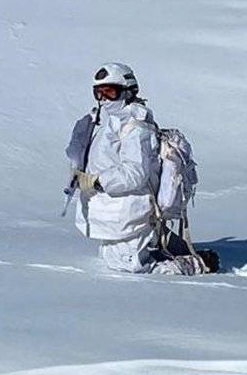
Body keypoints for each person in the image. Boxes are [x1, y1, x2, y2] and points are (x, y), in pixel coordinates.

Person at [65, 63, 217, 275]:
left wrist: (96, 181)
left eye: (110, 92)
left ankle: (198, 264)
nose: (104, 99)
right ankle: (177, 249)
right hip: (114, 212)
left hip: (129, 211)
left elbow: (135, 173)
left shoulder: (136, 126)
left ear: (128, 91)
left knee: (128, 266)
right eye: (98, 93)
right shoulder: (113, 121)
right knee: (112, 254)